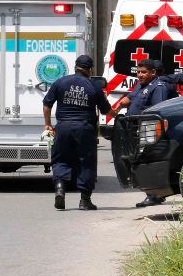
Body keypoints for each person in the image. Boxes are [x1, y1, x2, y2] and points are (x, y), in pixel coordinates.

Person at [43, 55, 128, 210]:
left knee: (61, 158)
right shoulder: (93, 86)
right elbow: (106, 111)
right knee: (86, 163)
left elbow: (47, 104)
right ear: (90, 69)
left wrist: (48, 124)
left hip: (63, 127)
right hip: (85, 129)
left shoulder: (60, 82)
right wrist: (118, 112)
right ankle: (85, 201)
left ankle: (60, 189)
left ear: (76, 67)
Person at [124, 59, 175, 208]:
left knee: (149, 161)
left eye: (144, 72)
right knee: (141, 161)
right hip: (137, 129)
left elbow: (157, 110)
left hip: (149, 129)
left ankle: (153, 195)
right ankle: (153, 194)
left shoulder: (158, 87)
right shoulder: (141, 86)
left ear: (153, 72)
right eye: (138, 72)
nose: (140, 75)